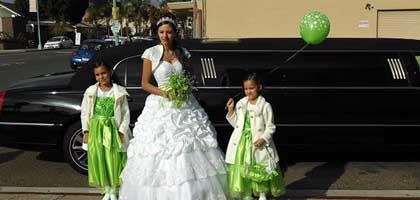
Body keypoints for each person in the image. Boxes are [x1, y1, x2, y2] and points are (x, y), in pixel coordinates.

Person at [118, 15, 228, 200]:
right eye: (161, 32)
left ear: (174, 33)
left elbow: (190, 77)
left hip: (185, 104)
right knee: (159, 149)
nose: (165, 35)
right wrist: (165, 93)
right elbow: (145, 83)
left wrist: (185, 88)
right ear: (157, 33)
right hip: (160, 105)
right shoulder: (151, 53)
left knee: (189, 148)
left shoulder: (183, 53)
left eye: (168, 32)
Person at [225, 73, 285, 200]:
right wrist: (231, 110)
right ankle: (247, 194)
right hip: (242, 143)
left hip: (257, 142)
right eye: (246, 89)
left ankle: (262, 194)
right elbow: (237, 124)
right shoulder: (241, 104)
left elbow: (271, 126)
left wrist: (264, 138)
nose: (248, 91)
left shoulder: (265, 106)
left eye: (251, 88)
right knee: (244, 168)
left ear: (259, 87)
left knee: (259, 168)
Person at [80, 61, 131, 200]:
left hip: (113, 130)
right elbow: (85, 112)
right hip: (97, 129)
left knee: (114, 158)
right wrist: (86, 131)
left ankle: (115, 190)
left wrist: (122, 131)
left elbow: (125, 113)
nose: (101, 77)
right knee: (100, 158)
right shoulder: (91, 92)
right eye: (97, 75)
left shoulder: (118, 92)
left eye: (103, 73)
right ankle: (107, 189)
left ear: (110, 73)